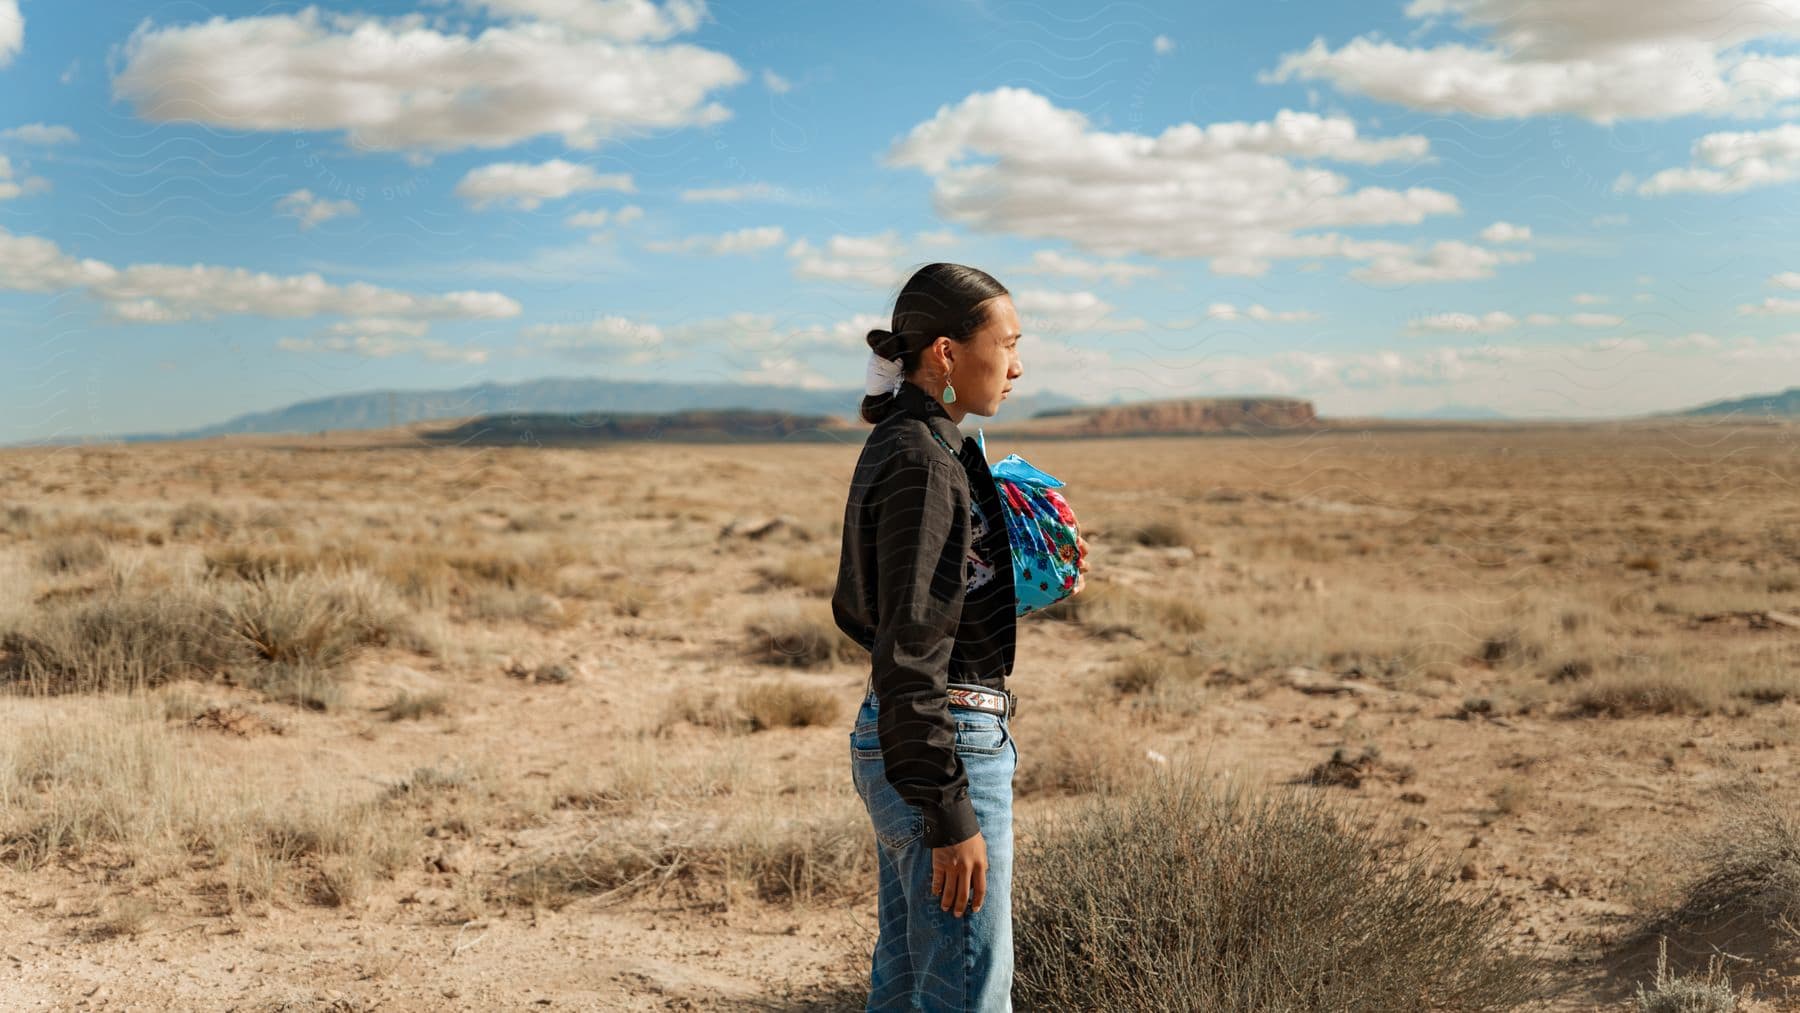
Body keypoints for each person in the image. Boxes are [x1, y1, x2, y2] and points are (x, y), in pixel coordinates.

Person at [831, 262, 1088, 1011]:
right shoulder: (923, 458)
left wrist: (1001, 583)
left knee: (910, 988)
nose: (1017, 364)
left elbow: (880, 614)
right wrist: (949, 809)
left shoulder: (912, 444)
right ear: (946, 353)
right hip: (944, 746)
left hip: (912, 735)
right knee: (965, 995)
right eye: (1005, 343)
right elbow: (909, 648)